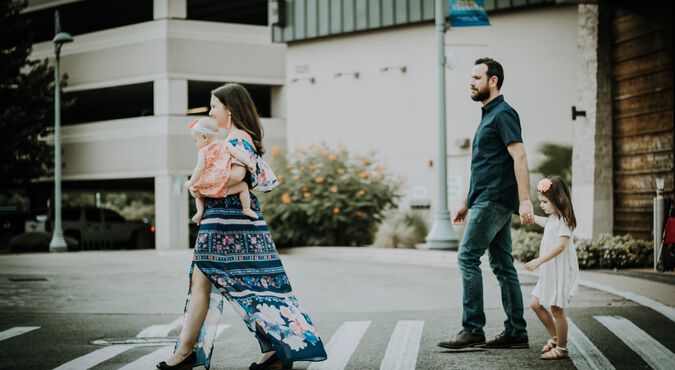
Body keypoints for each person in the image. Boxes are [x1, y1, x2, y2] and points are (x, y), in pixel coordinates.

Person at [157, 83, 326, 370]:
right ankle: (276, 349)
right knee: (257, 284)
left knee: (207, 284)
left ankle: (186, 353)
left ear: (230, 110)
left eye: (214, 106)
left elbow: (236, 178)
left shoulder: (235, 142)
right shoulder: (239, 139)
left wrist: (201, 186)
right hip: (235, 221)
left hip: (226, 222)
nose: (211, 112)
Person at [438, 57, 534, 350]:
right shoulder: (488, 116)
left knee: (467, 257)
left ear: (493, 81)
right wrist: (466, 201)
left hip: (494, 200)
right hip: (485, 198)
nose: (471, 82)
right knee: (503, 264)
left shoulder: (503, 114)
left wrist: (526, 199)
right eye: (471, 77)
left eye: (477, 78)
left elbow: (519, 156)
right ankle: (516, 331)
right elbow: (485, 166)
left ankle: (472, 329)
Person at [525, 176, 579, 360]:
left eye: (544, 202)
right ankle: (556, 338)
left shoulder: (564, 220)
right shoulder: (553, 218)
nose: (541, 205)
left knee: (557, 310)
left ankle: (562, 348)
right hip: (550, 272)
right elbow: (545, 223)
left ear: (558, 200)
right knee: (535, 303)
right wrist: (531, 218)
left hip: (559, 272)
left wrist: (539, 260)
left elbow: (561, 246)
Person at [184, 117, 259, 223]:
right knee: (243, 186)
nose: (196, 144)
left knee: (195, 191)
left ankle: (199, 212)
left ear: (204, 137)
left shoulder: (203, 151)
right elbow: (238, 154)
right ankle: (246, 209)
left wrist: (191, 181)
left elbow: (199, 167)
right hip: (224, 180)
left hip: (209, 182)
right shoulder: (225, 144)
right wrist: (249, 163)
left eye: (196, 140)